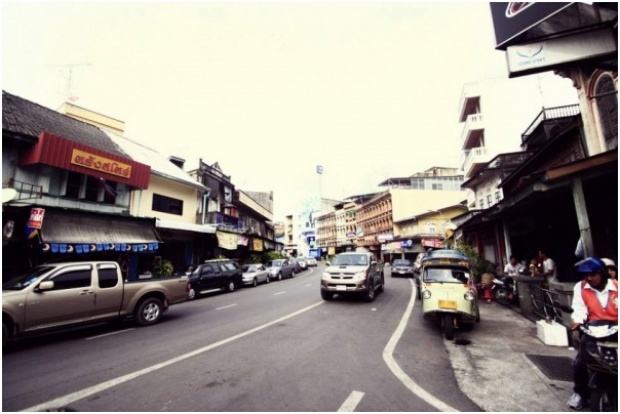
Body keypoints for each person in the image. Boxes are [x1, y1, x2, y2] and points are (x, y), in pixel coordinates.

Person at [566, 257, 618, 410]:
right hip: (592, 331)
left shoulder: (617, 287)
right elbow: (579, 309)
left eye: (593, 274)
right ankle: (580, 393)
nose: (589, 278)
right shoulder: (580, 287)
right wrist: (577, 321)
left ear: (602, 273)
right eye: (585, 275)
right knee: (580, 363)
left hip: (616, 332)